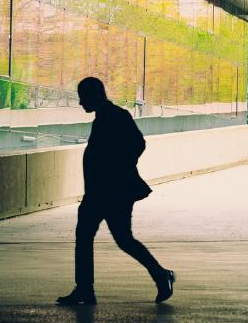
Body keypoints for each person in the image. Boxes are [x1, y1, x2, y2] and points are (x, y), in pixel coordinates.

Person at [57, 77, 175, 306]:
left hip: (110, 192)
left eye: (83, 96)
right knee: (111, 238)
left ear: (94, 95)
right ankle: (86, 289)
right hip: (104, 192)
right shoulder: (107, 116)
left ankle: (160, 275)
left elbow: (137, 144)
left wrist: (117, 168)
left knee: (114, 239)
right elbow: (135, 145)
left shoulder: (114, 116)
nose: (81, 102)